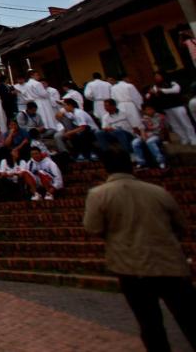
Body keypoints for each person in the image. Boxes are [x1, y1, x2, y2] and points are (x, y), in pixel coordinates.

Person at [84, 147, 196, 351]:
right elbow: (182, 227)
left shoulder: (99, 194)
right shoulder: (158, 191)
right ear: (131, 165)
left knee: (150, 324)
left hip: (131, 267)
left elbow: (93, 227)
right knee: (190, 318)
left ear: (104, 169)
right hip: (170, 264)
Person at [147, 72, 196, 146]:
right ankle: (184, 138)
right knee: (175, 125)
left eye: (158, 75)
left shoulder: (171, 82)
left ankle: (193, 138)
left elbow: (176, 90)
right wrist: (151, 93)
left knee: (185, 122)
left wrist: (162, 90)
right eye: (156, 76)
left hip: (177, 106)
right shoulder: (155, 86)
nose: (157, 77)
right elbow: (148, 96)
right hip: (166, 108)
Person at [132, 102, 168, 170]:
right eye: (147, 110)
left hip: (156, 135)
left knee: (150, 141)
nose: (149, 111)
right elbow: (141, 129)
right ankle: (141, 162)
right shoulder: (143, 119)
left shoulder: (160, 117)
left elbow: (162, 129)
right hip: (146, 135)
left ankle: (161, 162)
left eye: (150, 109)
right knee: (135, 142)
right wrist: (143, 137)